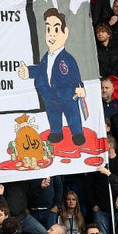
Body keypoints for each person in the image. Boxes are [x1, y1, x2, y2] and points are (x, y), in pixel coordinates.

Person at [17, 8, 87, 146]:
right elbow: (40, 70)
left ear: (65, 33)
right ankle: (56, 132)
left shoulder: (68, 59)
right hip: (49, 96)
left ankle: (77, 133)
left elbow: (75, 75)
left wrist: (80, 87)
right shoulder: (45, 58)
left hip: (67, 96)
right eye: (48, 30)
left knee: (73, 115)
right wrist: (28, 72)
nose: (51, 35)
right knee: (53, 116)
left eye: (56, 30)